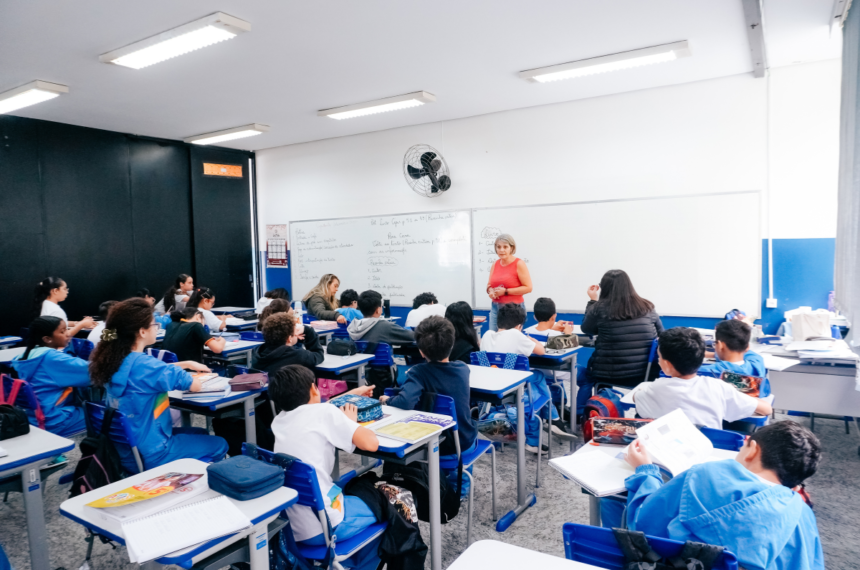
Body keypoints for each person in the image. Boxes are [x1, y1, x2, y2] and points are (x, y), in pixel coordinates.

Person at [621, 421, 824, 570]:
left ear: (752, 449)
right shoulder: (803, 516)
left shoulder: (705, 474)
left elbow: (643, 525)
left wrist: (646, 471)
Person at [88, 298, 228, 473]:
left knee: (200, 433)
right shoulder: (147, 366)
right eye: (154, 325)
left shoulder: (112, 360)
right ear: (142, 332)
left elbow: (146, 372)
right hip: (154, 451)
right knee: (220, 443)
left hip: (124, 451)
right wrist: (194, 372)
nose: (158, 328)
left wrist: (186, 363)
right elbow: (193, 385)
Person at [269, 364, 380, 570]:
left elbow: (320, 408)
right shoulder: (325, 413)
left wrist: (352, 395)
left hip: (293, 527)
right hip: (327, 525)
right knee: (389, 507)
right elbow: (370, 443)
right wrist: (350, 423)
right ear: (314, 389)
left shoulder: (279, 421)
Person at [380, 316, 477, 496]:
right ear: (452, 343)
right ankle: (461, 488)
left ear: (421, 351)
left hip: (430, 446)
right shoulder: (463, 369)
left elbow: (405, 401)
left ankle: (435, 482)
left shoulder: (418, 372)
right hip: (461, 445)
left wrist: (387, 400)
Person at [633, 327, 772, 429]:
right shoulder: (718, 386)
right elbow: (766, 409)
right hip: (710, 450)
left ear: (668, 365)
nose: (658, 361)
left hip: (669, 451)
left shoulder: (656, 388)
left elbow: (636, 397)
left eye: (660, 357)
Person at [480, 303, 569, 449]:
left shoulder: (487, 335)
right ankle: (553, 417)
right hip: (512, 385)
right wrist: (533, 341)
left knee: (535, 381)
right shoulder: (516, 335)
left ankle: (552, 417)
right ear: (519, 326)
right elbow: (541, 350)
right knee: (539, 376)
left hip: (491, 383)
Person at [577, 269, 663, 418]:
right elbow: (662, 335)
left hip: (607, 375)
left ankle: (600, 411)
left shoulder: (599, 308)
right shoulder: (647, 307)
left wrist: (592, 301)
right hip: (645, 374)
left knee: (591, 376)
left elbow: (586, 329)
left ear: (604, 287)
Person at [11, 316, 91, 436]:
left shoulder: (24, 356)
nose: (68, 334)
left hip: (32, 417)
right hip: (55, 419)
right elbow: (93, 372)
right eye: (62, 331)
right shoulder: (52, 358)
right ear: (47, 339)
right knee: (107, 416)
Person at [484, 234, 533, 331]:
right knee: (493, 337)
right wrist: (490, 291)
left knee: (510, 342)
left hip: (513, 309)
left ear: (512, 248)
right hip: (495, 308)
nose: (501, 250)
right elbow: (489, 284)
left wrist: (506, 291)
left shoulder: (519, 264)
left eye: (505, 247)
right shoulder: (495, 264)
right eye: (498, 247)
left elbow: (528, 288)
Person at [252, 313, 325, 373]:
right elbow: (318, 355)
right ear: (289, 339)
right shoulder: (299, 356)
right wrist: (308, 330)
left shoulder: (257, 353)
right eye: (294, 332)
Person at [699, 319, 767, 378]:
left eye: (715, 343)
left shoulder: (706, 371)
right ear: (747, 347)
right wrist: (712, 354)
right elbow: (753, 355)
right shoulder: (757, 365)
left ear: (720, 345)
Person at [347, 290, 415, 345]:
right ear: (378, 310)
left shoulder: (353, 327)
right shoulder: (385, 326)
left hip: (362, 361)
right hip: (382, 362)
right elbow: (412, 336)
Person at [161, 307, 226, 363]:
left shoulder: (171, 325)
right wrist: (222, 340)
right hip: (191, 372)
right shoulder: (196, 326)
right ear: (198, 317)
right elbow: (218, 349)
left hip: (173, 369)